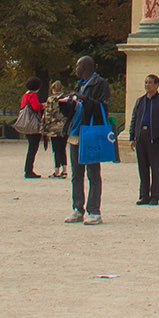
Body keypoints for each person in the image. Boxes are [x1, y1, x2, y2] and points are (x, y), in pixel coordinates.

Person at [63, 57, 111, 224]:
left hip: (89, 133)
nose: (75, 68)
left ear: (85, 67)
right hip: (76, 132)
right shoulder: (80, 84)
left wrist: (84, 99)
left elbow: (103, 107)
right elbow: (74, 110)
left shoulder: (100, 84)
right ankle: (77, 208)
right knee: (76, 174)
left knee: (92, 174)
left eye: (77, 65)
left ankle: (94, 211)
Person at [130, 73, 159, 205]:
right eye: (146, 82)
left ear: (157, 85)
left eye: (150, 83)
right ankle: (144, 195)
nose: (147, 85)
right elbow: (134, 119)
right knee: (142, 167)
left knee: (155, 167)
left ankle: (155, 195)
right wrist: (132, 136)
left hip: (155, 137)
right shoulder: (140, 101)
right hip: (141, 136)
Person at [20, 77, 48, 178]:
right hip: (33, 124)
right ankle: (29, 170)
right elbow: (36, 107)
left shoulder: (25, 95)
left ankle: (28, 169)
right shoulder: (32, 95)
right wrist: (43, 105)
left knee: (31, 147)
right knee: (33, 148)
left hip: (27, 124)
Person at [43, 80, 70, 178]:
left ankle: (57, 170)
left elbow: (48, 114)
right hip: (64, 127)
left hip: (54, 127)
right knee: (63, 148)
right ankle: (65, 169)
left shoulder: (51, 100)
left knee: (56, 149)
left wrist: (45, 126)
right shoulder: (66, 99)